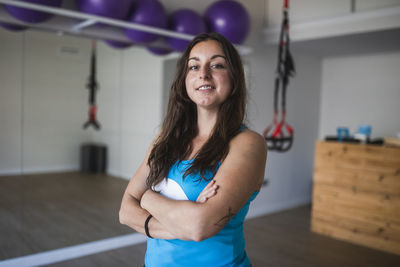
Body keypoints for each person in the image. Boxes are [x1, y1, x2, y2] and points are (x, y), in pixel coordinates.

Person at [119, 32, 267, 267]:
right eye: (194, 66)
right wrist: (183, 221)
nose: (203, 74)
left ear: (235, 77)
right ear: (184, 79)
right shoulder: (165, 139)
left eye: (216, 65)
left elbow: (200, 227)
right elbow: (125, 211)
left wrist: (146, 197)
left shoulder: (247, 143)